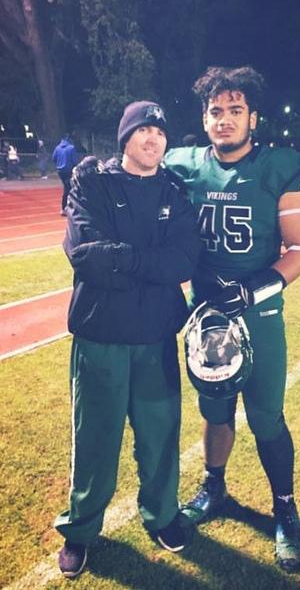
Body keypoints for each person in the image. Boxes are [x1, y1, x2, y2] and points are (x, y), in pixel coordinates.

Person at [165, 66, 300, 573]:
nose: (224, 120)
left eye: (235, 110)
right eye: (215, 111)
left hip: (260, 312)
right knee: (216, 413)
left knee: (267, 417)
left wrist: (253, 288)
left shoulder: (278, 167)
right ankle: (215, 488)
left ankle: (286, 510)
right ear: (203, 119)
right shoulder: (184, 164)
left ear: (253, 116)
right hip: (206, 316)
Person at [54, 101, 201, 579]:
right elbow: (84, 253)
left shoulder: (175, 191)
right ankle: (80, 530)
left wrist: (125, 261)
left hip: (155, 337)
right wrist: (148, 265)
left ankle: (162, 515)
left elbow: (183, 260)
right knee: (95, 438)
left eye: (160, 131)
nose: (153, 138)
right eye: (144, 130)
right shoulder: (91, 180)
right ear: (125, 138)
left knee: (159, 437)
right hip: (101, 337)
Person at [52, 134, 79, 214]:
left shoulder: (57, 148)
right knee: (70, 189)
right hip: (69, 170)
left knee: (67, 188)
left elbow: (54, 158)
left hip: (60, 171)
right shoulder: (71, 148)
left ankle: (66, 207)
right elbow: (74, 160)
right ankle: (68, 207)